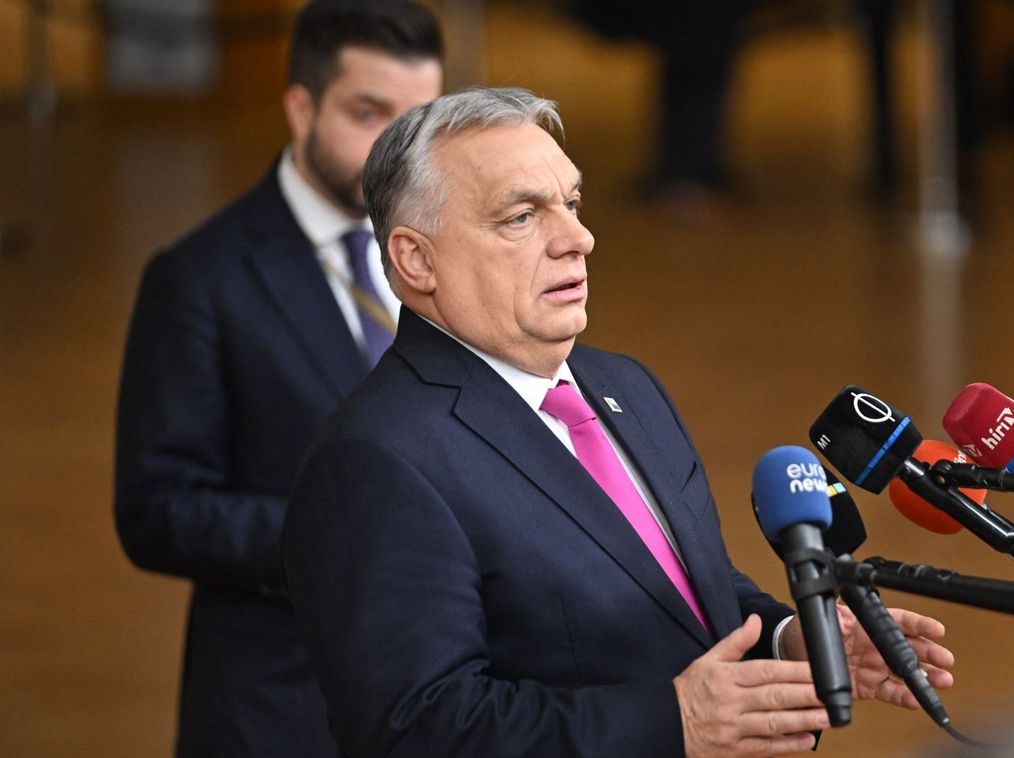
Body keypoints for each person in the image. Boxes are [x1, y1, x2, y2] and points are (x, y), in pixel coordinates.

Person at [282, 86, 955, 756]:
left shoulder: (624, 385)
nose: (578, 239)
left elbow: (683, 594)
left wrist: (787, 640)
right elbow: (414, 730)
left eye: (571, 204)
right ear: (416, 260)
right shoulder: (376, 460)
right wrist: (673, 723)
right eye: (522, 216)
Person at [113, 2, 442, 755]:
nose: (398, 151)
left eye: (419, 121)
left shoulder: (452, 252)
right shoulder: (198, 278)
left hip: (453, 697)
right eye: (370, 114)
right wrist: (338, 537)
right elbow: (157, 509)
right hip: (282, 709)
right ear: (301, 108)